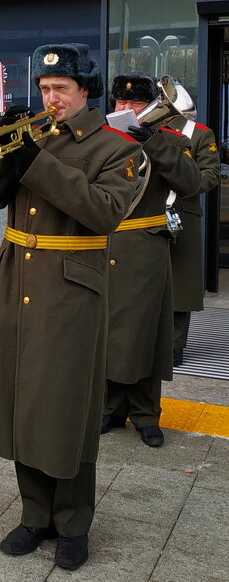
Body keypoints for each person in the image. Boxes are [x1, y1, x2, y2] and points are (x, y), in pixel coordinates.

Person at [0, 44, 142, 571]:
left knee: (65, 409)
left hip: (71, 292)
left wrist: (35, 161)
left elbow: (104, 211)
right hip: (16, 281)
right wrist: (3, 150)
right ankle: (33, 515)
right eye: (44, 89)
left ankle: (72, 524)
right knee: (21, 402)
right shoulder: (34, 136)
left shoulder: (117, 149)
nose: (51, 98)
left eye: (60, 89)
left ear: (85, 91)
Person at [103, 72, 200, 449]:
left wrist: (155, 143)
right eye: (120, 104)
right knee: (107, 333)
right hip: (106, 243)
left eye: (135, 104)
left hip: (145, 248)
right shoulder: (101, 140)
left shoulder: (171, 139)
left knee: (146, 334)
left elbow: (190, 184)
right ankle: (109, 408)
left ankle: (145, 415)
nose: (126, 110)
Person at [165, 106, 220, 366]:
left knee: (180, 284)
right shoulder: (139, 131)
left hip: (181, 213)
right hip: (142, 213)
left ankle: (173, 348)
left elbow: (210, 175)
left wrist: (183, 181)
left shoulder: (198, 134)